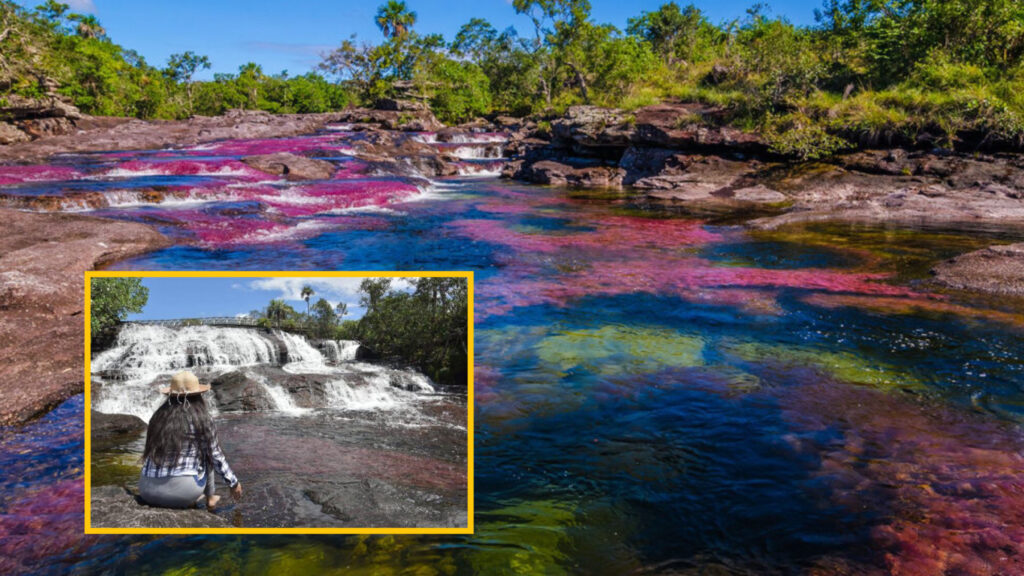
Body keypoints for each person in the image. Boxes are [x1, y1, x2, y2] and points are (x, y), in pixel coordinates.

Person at [138, 371, 243, 511]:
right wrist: (234, 484)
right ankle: (210, 498)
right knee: (208, 453)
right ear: (199, 395)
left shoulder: (157, 417)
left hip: (147, 491)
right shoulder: (202, 419)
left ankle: (192, 495)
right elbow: (216, 456)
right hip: (180, 494)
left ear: (171, 395)